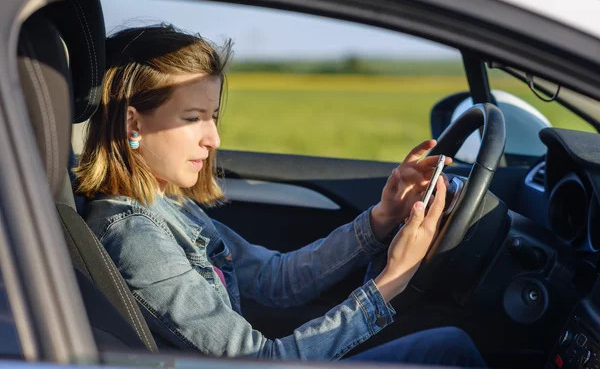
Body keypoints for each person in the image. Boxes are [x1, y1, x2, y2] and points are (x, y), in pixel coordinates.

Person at [76, 24, 485, 367]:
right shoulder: (135, 237)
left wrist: (380, 219)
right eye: (193, 118)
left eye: (213, 116)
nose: (213, 138)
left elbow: (276, 279)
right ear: (133, 123)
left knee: (450, 346)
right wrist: (389, 283)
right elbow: (263, 360)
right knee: (452, 351)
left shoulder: (168, 206)